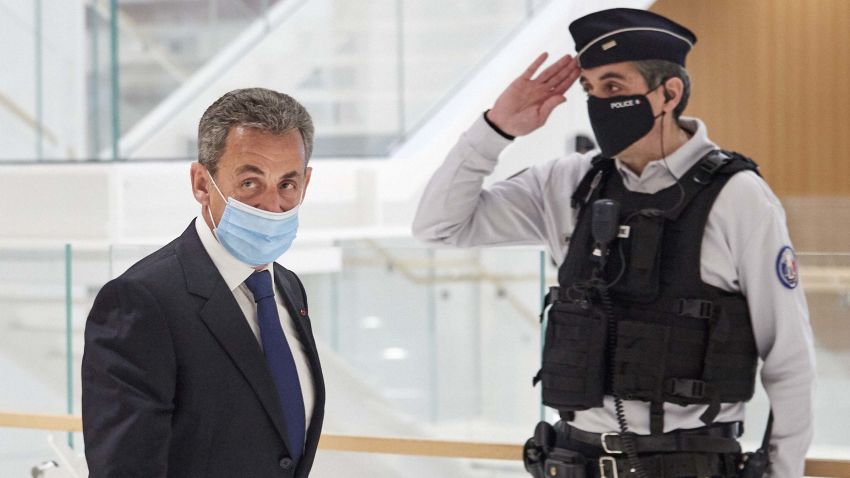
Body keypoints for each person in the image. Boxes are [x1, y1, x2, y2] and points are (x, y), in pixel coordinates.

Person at [412, 8, 814, 478]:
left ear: (669, 93)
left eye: (614, 87)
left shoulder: (738, 196)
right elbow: (438, 226)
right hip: (572, 459)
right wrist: (496, 128)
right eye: (590, 90)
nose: (599, 102)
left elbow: (789, 358)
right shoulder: (567, 182)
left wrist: (781, 472)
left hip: (689, 463)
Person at [82, 88, 325, 478]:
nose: (272, 204)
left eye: (287, 184)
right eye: (250, 182)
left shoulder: (288, 288)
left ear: (305, 183)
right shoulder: (142, 301)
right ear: (200, 183)